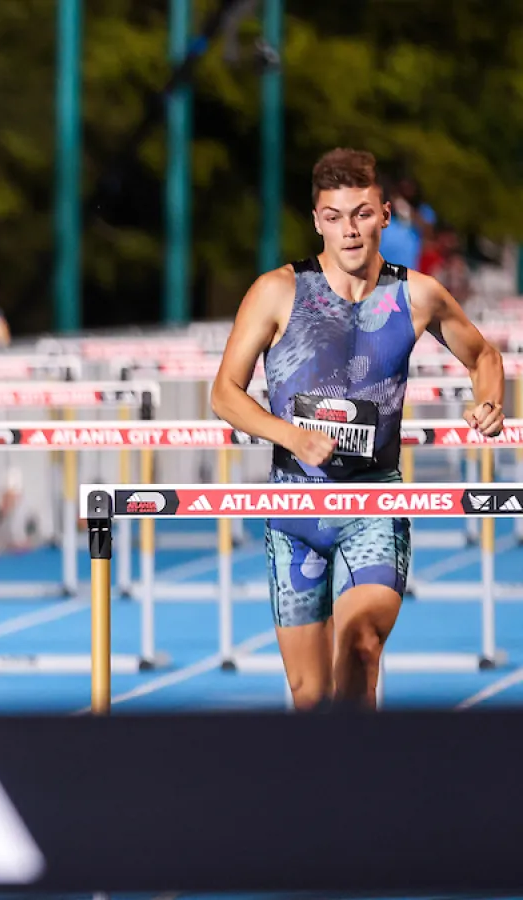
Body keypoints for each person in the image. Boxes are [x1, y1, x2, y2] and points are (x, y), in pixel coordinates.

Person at [211, 148, 504, 711]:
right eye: (335, 216)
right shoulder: (277, 291)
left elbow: (484, 356)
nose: (349, 230)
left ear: (385, 216)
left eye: (362, 214)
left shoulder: (416, 295)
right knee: (310, 696)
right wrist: (292, 436)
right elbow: (225, 393)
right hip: (295, 509)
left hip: (375, 503)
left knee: (361, 649)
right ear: (317, 220)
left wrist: (488, 401)